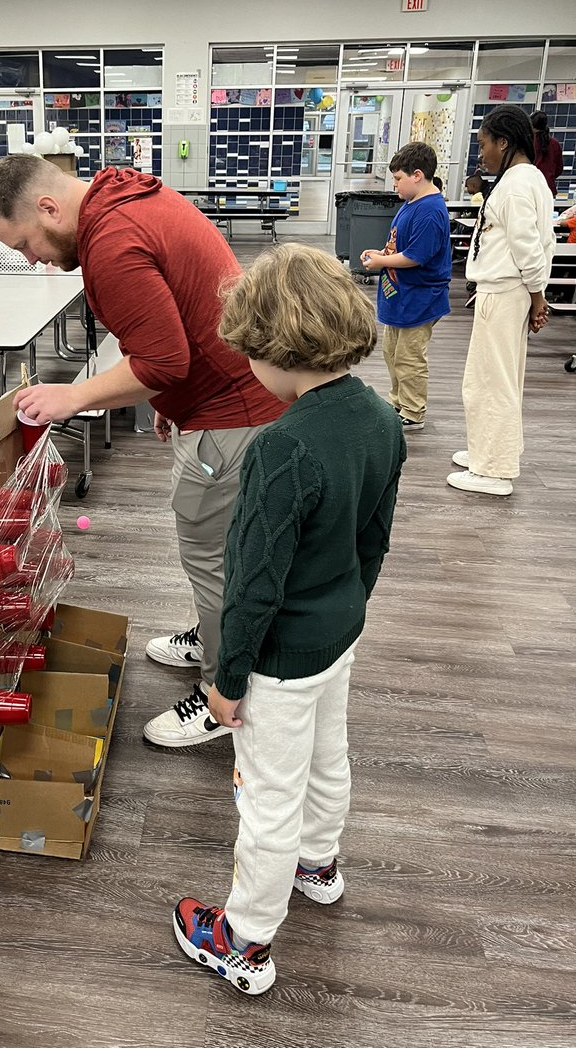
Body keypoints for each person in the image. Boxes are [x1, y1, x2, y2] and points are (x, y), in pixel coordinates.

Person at [0, 154, 286, 748]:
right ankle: (213, 633)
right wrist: (170, 401)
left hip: (231, 415)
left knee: (212, 557)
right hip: (231, 396)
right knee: (221, 549)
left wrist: (74, 396)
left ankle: (224, 693)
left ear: (49, 207)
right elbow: (173, 329)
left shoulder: (111, 241)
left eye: (26, 243)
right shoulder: (122, 197)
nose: (31, 259)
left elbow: (164, 361)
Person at [172, 243, 405, 996]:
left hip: (279, 658)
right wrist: (352, 604)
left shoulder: (281, 448)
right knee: (329, 756)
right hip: (341, 631)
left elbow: (250, 586)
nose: (248, 371)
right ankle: (320, 863)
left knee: (267, 794)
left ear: (278, 351)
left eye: (250, 357)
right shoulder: (380, 416)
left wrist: (226, 679)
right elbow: (375, 535)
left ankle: (245, 941)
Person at [449, 105, 555, 497]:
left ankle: (493, 470)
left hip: (505, 290)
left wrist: (537, 297)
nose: (481, 153)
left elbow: (529, 248)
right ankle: (488, 453)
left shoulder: (516, 185)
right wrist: (535, 296)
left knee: (490, 383)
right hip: (510, 291)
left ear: (504, 142)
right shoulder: (528, 180)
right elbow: (543, 243)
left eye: (483, 144)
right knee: (495, 379)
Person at [360, 142, 451, 433]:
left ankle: (413, 410)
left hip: (420, 298)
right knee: (393, 353)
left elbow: (415, 257)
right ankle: (399, 402)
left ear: (417, 175)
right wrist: (382, 254)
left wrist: (380, 262)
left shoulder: (430, 211)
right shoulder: (412, 204)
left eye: (398, 178)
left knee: (409, 358)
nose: (395, 184)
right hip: (402, 297)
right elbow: (402, 247)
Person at [530, 110, 562, 196]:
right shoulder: (555, 143)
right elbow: (559, 169)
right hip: (549, 188)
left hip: (530, 188)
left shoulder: (527, 142)